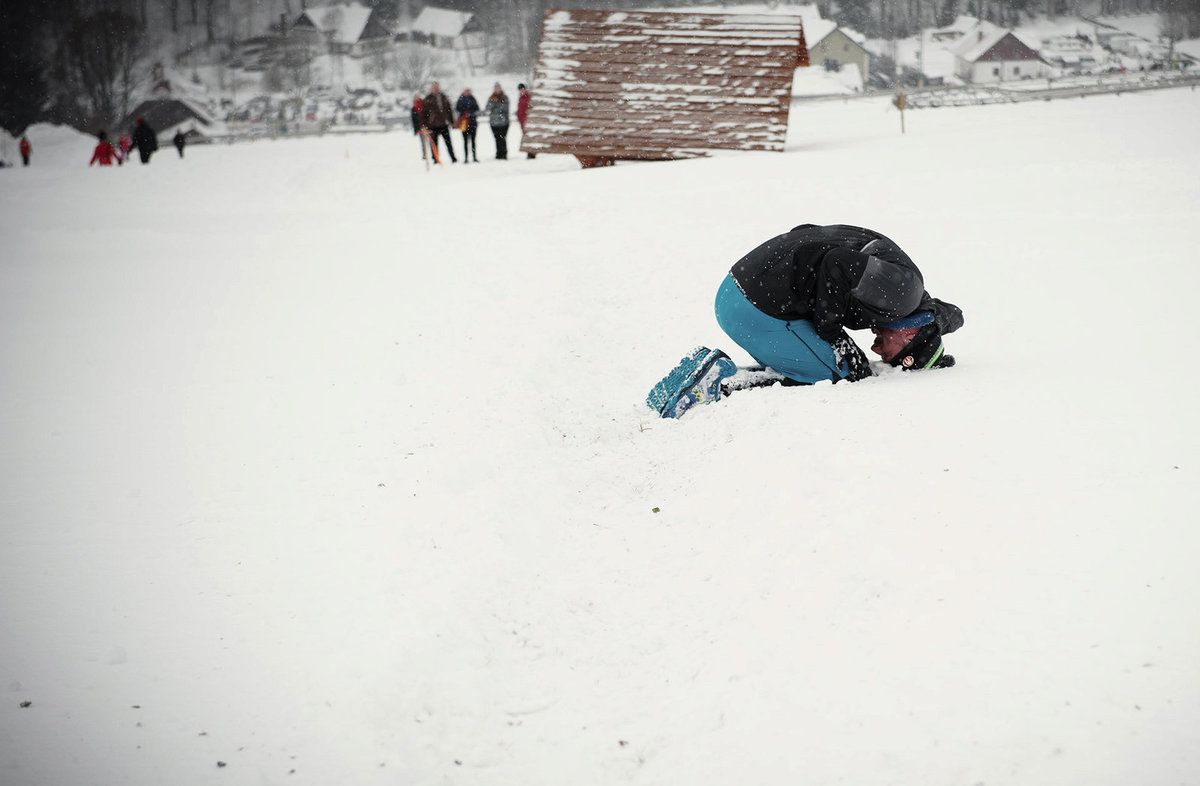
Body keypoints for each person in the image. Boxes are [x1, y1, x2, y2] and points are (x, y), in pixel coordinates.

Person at [716, 223, 963, 386]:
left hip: (733, 290)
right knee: (841, 374)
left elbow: (806, 231)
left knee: (805, 361)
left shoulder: (906, 293)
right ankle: (717, 385)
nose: (877, 351)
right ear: (910, 335)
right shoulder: (904, 297)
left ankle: (718, 373)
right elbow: (838, 262)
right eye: (889, 354)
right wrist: (832, 335)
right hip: (753, 308)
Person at [420, 81, 456, 163]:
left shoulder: (444, 97)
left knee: (448, 143)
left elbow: (449, 110)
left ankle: (453, 158)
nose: (436, 89)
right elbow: (423, 114)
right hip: (433, 125)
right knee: (434, 144)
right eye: (434, 87)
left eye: (437, 87)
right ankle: (435, 159)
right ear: (431, 88)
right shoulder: (428, 99)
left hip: (443, 124)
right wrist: (423, 125)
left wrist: (452, 122)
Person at [484, 83, 509, 160]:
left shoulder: (505, 98)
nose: (497, 90)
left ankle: (504, 153)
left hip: (503, 122)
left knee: (502, 138)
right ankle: (498, 153)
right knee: (497, 138)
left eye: (498, 88)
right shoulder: (491, 98)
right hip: (494, 123)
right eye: (496, 88)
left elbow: (505, 109)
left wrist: (497, 105)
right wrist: (493, 103)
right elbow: (487, 108)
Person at [455, 87, 480, 163]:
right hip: (464, 123)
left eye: (468, 91)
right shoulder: (460, 99)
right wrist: (465, 113)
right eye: (466, 91)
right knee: (465, 141)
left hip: (472, 123)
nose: (467, 92)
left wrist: (471, 113)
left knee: (473, 141)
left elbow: (477, 108)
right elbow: (457, 108)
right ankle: (466, 158)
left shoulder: (473, 99)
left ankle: (474, 157)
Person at [516, 83, 535, 159]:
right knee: (527, 137)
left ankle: (531, 153)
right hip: (522, 121)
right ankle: (529, 152)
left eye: (522, 89)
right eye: (520, 90)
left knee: (530, 137)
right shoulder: (521, 98)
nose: (521, 91)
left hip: (527, 121)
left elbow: (529, 109)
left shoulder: (528, 97)